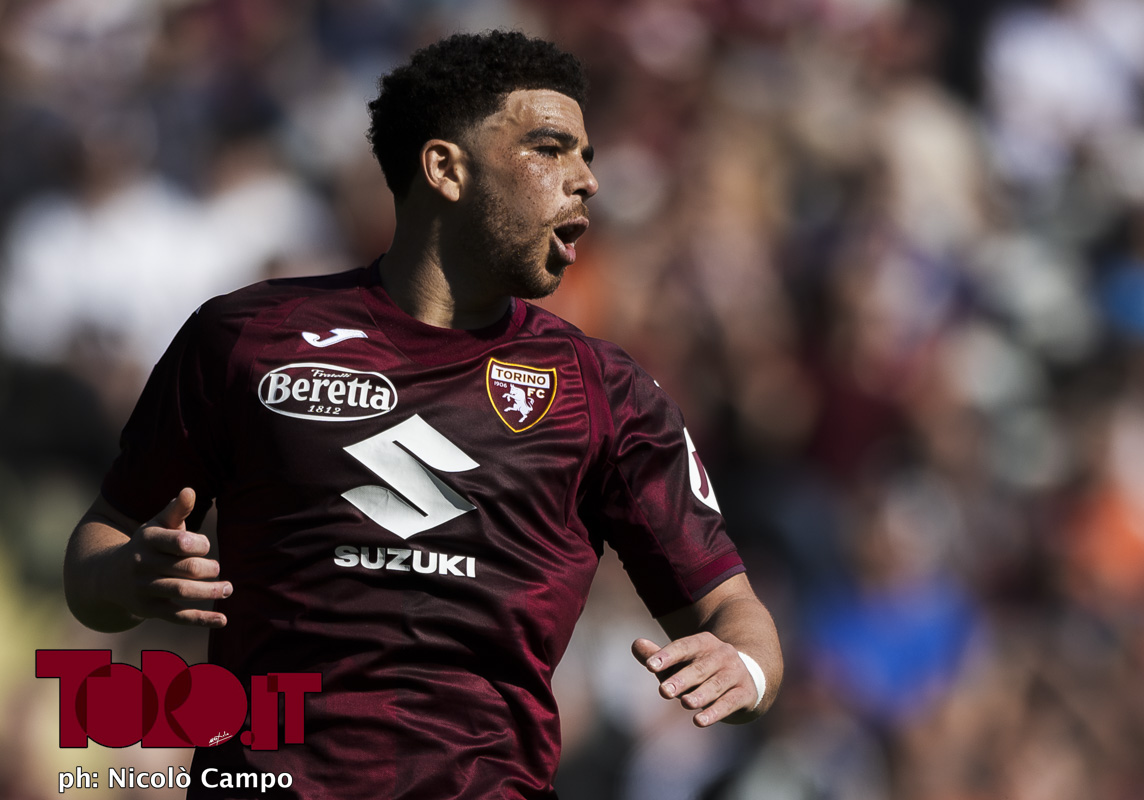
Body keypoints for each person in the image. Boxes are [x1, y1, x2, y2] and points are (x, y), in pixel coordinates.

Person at [63, 30, 783, 799]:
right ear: (445, 168)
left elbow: (732, 610)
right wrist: (125, 578)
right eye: (550, 148)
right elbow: (94, 551)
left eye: (588, 156)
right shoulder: (243, 339)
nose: (586, 181)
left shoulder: (606, 390)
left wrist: (740, 666)